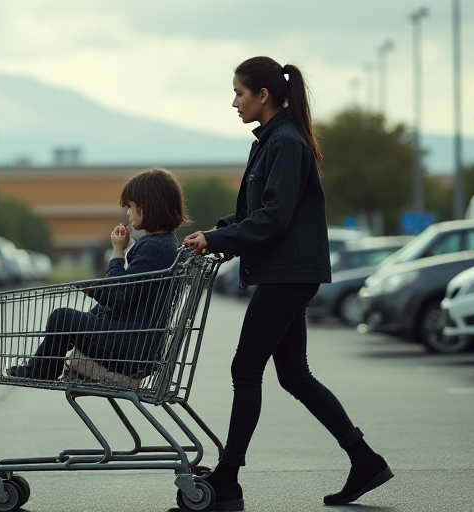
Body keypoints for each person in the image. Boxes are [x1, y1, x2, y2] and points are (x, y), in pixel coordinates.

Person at [182, 57, 392, 509]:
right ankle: (364, 459)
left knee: (245, 370)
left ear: (263, 95)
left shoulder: (287, 142)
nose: (233, 101)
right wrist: (217, 235)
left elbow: (274, 218)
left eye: (239, 93)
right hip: (289, 272)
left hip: (289, 274)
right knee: (294, 375)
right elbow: (260, 212)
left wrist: (219, 237)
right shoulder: (271, 142)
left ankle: (227, 479)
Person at [7, 168, 190, 381]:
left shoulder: (153, 248)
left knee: (62, 318)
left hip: (129, 347)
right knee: (83, 316)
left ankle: (42, 370)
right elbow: (129, 294)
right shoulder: (166, 244)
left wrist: (117, 254)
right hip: (136, 343)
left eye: (130, 207)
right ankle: (40, 367)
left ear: (146, 207)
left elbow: (120, 298)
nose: (128, 214)